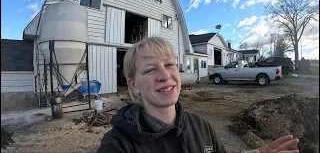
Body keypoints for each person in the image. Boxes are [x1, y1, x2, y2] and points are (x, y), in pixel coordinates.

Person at [97, 37, 299, 153]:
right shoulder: (117, 145)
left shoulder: (200, 125)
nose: (165, 75)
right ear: (134, 85)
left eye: (169, 65)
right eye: (150, 70)